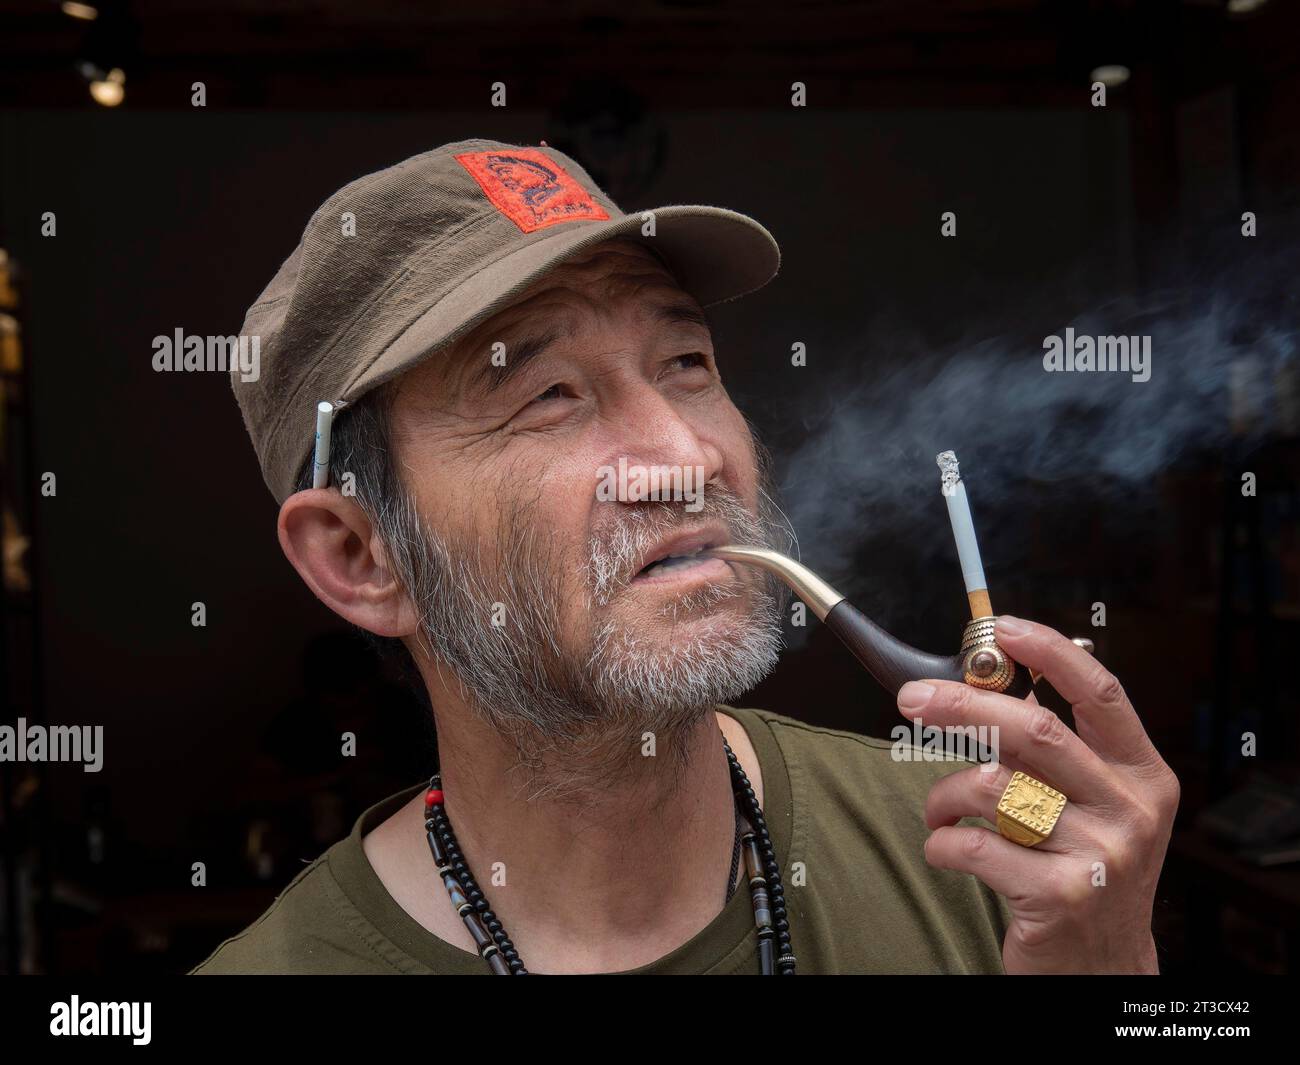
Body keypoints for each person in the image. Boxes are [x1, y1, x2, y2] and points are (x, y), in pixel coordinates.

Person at [191, 139, 1178, 974]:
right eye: (548, 395)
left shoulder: (987, 849)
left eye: (685, 364)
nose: (684, 456)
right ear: (362, 555)